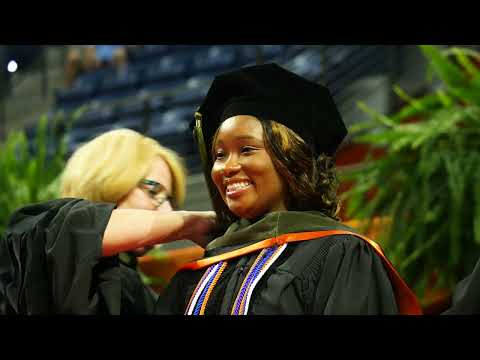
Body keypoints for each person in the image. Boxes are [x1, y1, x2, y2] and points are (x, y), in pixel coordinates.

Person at [155, 63, 423, 315]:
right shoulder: (198, 275)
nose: (226, 167)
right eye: (220, 154)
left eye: (246, 149)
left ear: (292, 159)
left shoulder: (340, 254)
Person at [0, 129, 215, 315]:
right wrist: (189, 223)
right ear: (108, 179)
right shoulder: (33, 238)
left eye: (169, 200)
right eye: (153, 191)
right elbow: (74, 229)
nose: (167, 211)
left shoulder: (133, 286)